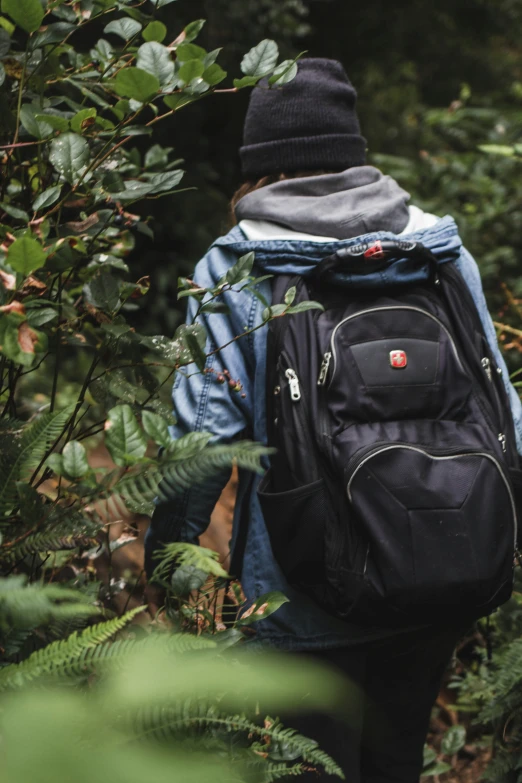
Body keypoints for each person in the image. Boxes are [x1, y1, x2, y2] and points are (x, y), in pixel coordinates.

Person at [145, 58, 522, 782]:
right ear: (355, 152)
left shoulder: (235, 267)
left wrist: (170, 558)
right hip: (443, 568)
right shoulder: (441, 253)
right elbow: (505, 410)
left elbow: (199, 445)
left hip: (303, 589)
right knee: (394, 759)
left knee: (308, 764)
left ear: (261, 166)